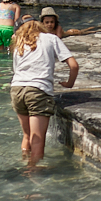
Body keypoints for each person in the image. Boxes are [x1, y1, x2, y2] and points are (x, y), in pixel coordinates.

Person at [10, 20, 77, 166]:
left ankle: (23, 163)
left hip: (16, 89)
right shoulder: (52, 38)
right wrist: (69, 84)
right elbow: (74, 65)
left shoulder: (20, 44)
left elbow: (17, 71)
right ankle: (33, 174)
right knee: (38, 140)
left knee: (27, 135)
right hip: (38, 90)